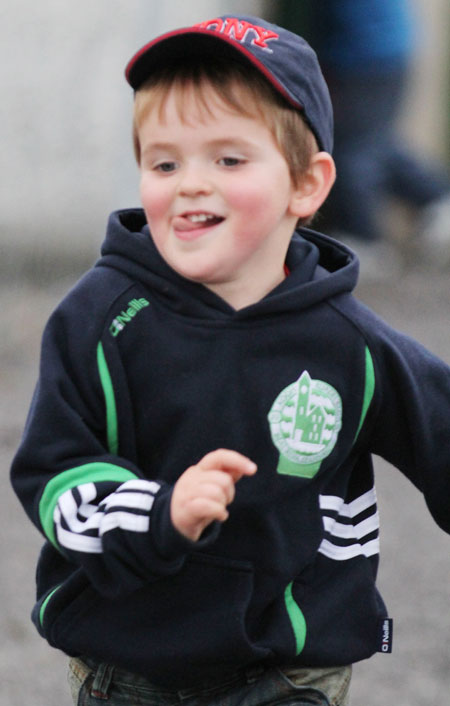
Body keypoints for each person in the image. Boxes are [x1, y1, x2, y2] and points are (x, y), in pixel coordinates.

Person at [10, 14, 450, 706]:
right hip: (129, 668)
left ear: (306, 185)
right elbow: (54, 472)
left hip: (290, 671)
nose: (189, 183)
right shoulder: (99, 319)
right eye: (164, 162)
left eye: (228, 159)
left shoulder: (347, 341)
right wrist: (161, 512)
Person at [272, 0, 450, 274]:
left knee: (355, 151)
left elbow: (323, 19)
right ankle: (436, 197)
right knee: (370, 142)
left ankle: (366, 242)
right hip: (382, 49)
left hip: (364, 56)